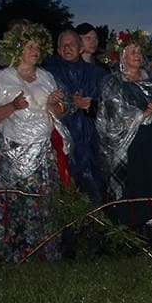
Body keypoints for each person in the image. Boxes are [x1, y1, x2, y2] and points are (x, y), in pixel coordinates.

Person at [0, 23, 68, 262]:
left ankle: (43, 251)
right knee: (15, 201)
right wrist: (12, 107)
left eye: (38, 47)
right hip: (13, 149)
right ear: (18, 48)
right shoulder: (3, 77)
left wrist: (53, 104)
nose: (35, 51)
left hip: (43, 148)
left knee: (44, 201)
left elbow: (59, 112)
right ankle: (14, 253)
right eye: (30, 46)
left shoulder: (47, 77)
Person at [96, 29, 152, 234]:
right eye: (132, 52)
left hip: (151, 137)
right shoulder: (113, 83)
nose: (137, 56)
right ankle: (132, 237)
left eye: (139, 51)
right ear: (121, 57)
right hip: (129, 142)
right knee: (133, 183)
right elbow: (112, 116)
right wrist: (142, 114)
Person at [43, 29, 108, 208]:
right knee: (66, 204)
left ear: (80, 48)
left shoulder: (97, 75)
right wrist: (69, 105)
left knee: (94, 202)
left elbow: (111, 109)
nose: (67, 48)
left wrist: (90, 106)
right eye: (63, 45)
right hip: (61, 148)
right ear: (57, 49)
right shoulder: (47, 75)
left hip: (91, 148)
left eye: (71, 44)